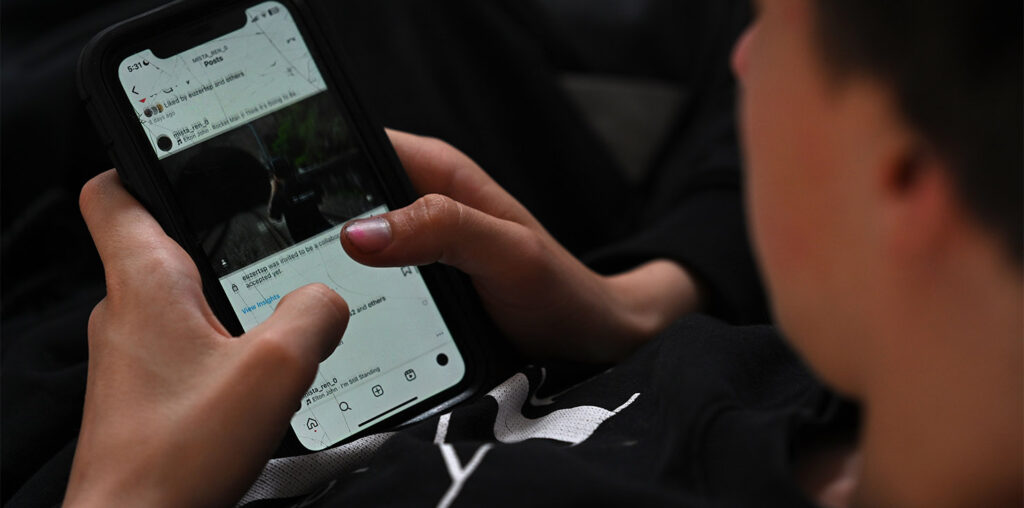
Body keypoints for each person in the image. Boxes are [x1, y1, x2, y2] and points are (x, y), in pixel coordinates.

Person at [15, 0, 1024, 506]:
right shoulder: (845, 389)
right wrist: (629, 302)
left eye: (775, 26)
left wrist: (124, 495)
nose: (744, 54)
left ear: (902, 179)